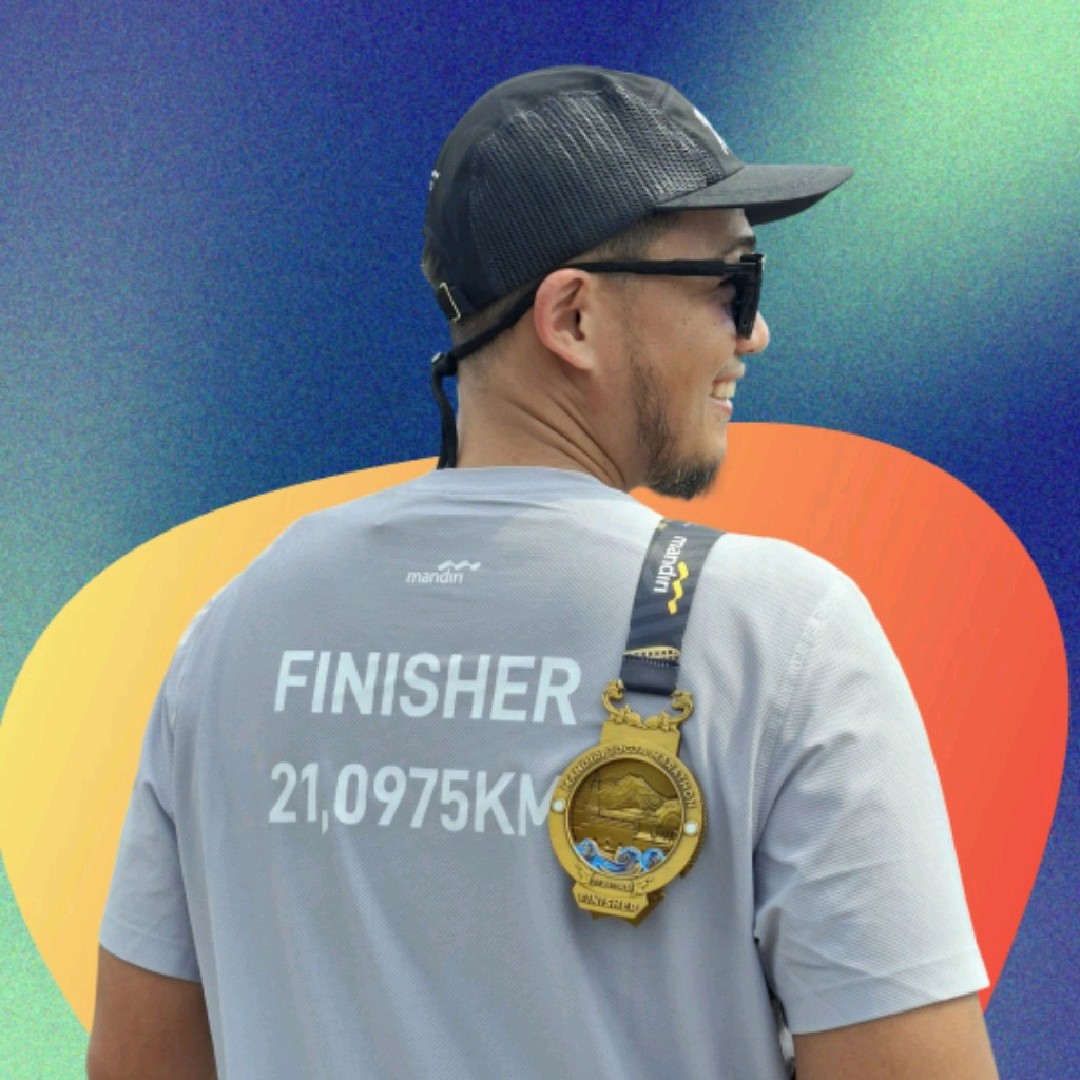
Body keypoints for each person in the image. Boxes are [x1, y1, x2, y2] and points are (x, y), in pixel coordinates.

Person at [88, 66, 998, 1079]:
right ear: (571, 319)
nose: (753, 332)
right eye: (731, 285)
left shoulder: (236, 630)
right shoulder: (780, 636)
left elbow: (137, 1062)